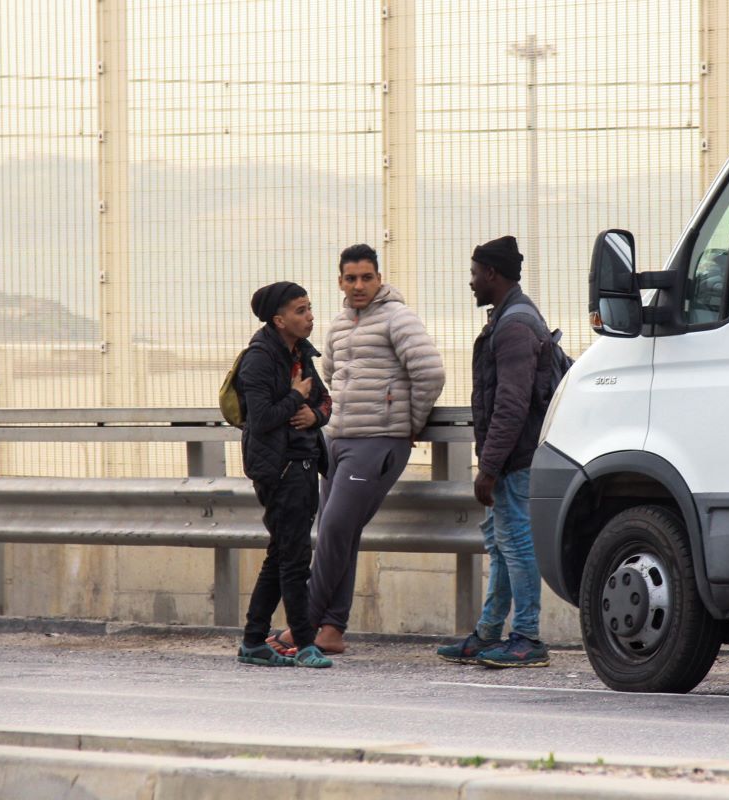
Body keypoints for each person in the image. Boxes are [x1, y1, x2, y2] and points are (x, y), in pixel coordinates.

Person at [273, 244, 445, 654]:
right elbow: (331, 374)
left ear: (379, 278)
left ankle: (304, 623)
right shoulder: (336, 323)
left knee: (334, 529)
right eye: (351, 278)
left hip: (379, 442)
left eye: (367, 277)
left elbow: (430, 372)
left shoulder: (397, 317)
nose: (359, 285)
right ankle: (331, 630)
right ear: (340, 282)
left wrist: (409, 423)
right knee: (339, 533)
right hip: (338, 440)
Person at [437, 235, 551, 669]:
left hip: (516, 458)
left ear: (491, 274)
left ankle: (527, 637)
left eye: (473, 274)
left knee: (517, 545)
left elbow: (511, 404)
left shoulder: (515, 326)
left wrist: (489, 467)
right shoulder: (509, 318)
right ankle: (489, 633)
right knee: (502, 544)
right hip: (510, 457)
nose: (470, 283)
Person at [235, 281, 334, 669]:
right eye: (300, 311)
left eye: (309, 308)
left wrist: (315, 415)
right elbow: (260, 421)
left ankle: (253, 641)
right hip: (279, 470)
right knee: (294, 559)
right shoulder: (259, 360)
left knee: (280, 555)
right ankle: (306, 644)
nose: (309, 317)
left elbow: (324, 399)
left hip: (306, 463)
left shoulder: (302, 354)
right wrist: (295, 397)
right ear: (279, 320)